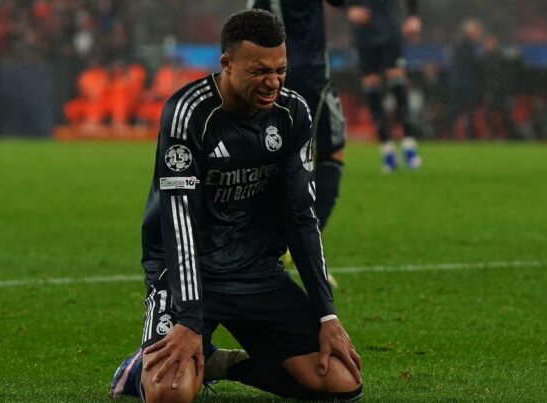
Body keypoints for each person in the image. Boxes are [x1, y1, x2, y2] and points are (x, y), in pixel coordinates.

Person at [110, 9, 362, 402]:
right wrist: (189, 318)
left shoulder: (292, 113)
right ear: (226, 64)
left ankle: (220, 363)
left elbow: (302, 217)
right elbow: (179, 220)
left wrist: (327, 315)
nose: (273, 82)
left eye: (280, 70)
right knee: (171, 394)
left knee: (340, 381)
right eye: (259, 71)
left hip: (255, 271)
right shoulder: (188, 113)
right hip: (188, 272)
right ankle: (139, 368)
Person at [249, 0, 346, 232]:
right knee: (331, 154)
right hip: (312, 75)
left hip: (273, 76)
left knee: (269, 156)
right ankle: (306, 237)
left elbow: (250, 25)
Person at [347, 0, 422, 172]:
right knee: (371, 86)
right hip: (363, 30)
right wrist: (349, 9)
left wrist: (413, 15)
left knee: (397, 82)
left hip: (389, 25)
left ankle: (409, 144)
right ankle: (387, 149)